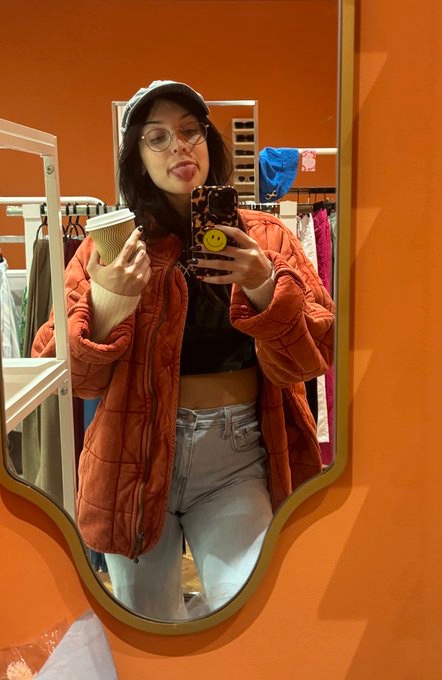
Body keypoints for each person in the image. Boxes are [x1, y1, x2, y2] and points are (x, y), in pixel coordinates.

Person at [32, 79, 335, 620]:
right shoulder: (112, 249)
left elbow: (318, 350)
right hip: (132, 454)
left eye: (190, 131)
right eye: (158, 137)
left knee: (248, 616)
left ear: (209, 143)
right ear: (138, 159)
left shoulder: (266, 237)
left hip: (238, 456)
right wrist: (108, 304)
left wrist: (266, 286)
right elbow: (65, 374)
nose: (178, 146)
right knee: (146, 627)